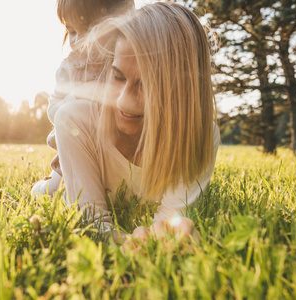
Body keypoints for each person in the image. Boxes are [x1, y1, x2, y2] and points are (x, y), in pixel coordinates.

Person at [52, 2, 221, 245]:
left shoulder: (199, 135)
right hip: (63, 184)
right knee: (46, 193)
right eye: (118, 76)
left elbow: (167, 224)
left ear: (184, 92)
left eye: (146, 85)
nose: (125, 102)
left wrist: (152, 241)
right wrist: (125, 241)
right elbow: (91, 224)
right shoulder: (74, 121)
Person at [31, 0, 135, 196]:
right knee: (56, 193)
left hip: (115, 152)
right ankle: (49, 187)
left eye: (90, 29)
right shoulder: (69, 68)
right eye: (71, 31)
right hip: (76, 152)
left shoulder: (124, 64)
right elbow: (54, 109)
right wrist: (73, 98)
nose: (79, 41)